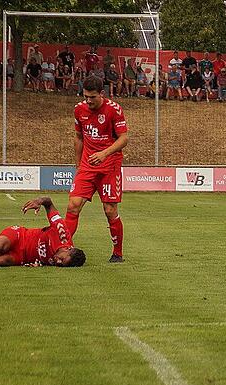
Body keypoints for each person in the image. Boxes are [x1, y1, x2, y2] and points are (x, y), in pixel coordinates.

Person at [65, 75, 128, 262]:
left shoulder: (114, 110)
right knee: (73, 206)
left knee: (110, 210)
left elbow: (124, 138)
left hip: (109, 166)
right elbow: (78, 137)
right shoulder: (79, 110)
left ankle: (117, 253)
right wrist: (78, 165)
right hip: (87, 166)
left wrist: (104, 154)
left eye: (92, 97)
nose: (88, 101)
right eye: (86, 96)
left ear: (102, 94)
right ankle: (64, 249)